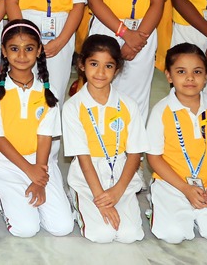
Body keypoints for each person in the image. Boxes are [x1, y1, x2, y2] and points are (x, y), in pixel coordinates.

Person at [0, 20, 72, 238]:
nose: (22, 55)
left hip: (41, 164)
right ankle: (0, 195)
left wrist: (38, 177)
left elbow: (44, 138)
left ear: (39, 50)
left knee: (62, 227)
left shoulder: (48, 92)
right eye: (14, 49)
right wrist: (28, 170)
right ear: (4, 51)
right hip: (8, 164)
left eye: (29, 48)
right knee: (26, 229)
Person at [146, 43, 207, 245]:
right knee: (173, 234)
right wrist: (185, 188)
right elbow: (153, 157)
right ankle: (158, 205)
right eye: (181, 72)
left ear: (206, 77)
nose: (190, 78)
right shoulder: (161, 111)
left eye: (197, 72)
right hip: (172, 184)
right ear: (169, 76)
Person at [63, 35, 147, 243]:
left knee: (130, 235)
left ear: (117, 69)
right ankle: (77, 199)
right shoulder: (73, 107)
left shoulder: (129, 105)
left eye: (108, 66)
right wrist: (101, 199)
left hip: (121, 176)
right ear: (81, 64)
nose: (100, 73)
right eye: (94, 64)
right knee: (102, 234)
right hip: (88, 178)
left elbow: (135, 153)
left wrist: (117, 191)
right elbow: (83, 158)